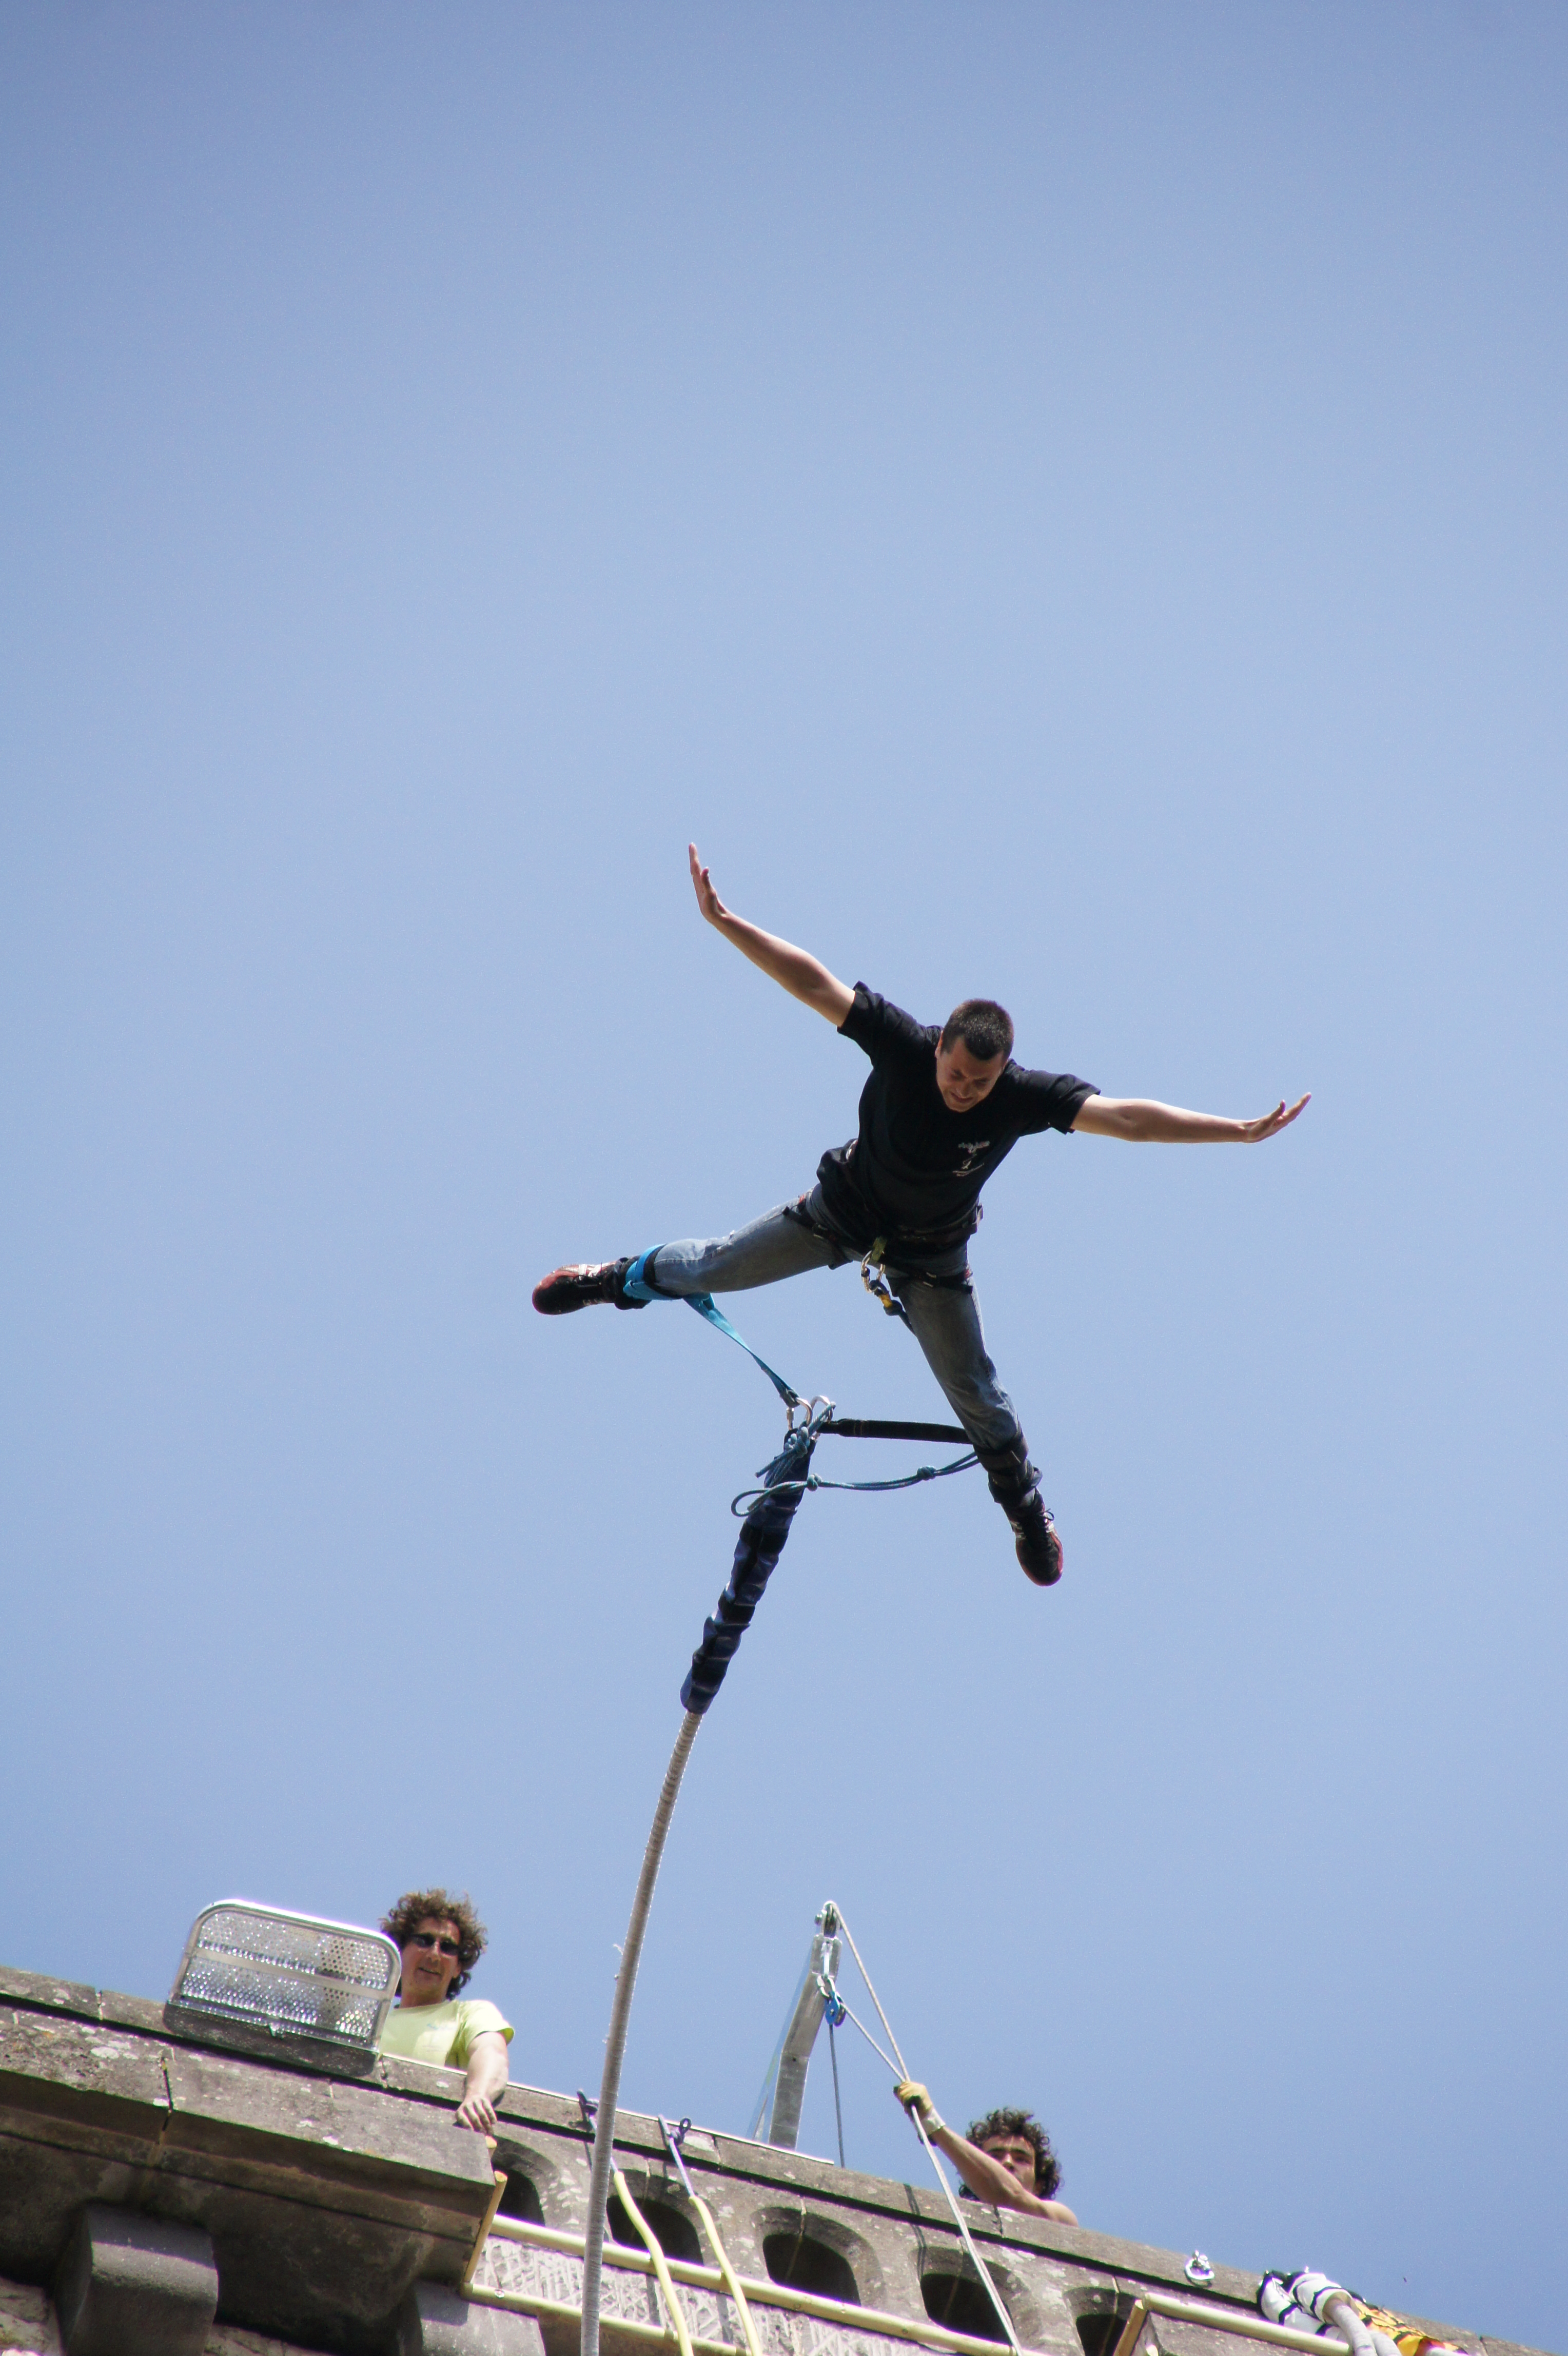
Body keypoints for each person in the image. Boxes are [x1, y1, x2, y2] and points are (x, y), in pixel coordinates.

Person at [534, 843, 1308, 1585]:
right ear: (940, 1045)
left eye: (981, 1081)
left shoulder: (1023, 1098)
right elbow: (811, 982)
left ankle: (1025, 1510)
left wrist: (1234, 1130)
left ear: (1004, 1069)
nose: (965, 1089)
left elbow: (1129, 1119)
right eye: (958, 1074)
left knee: (972, 1388)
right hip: (838, 1213)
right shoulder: (904, 1044)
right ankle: (614, 1280)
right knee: (711, 1268)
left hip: (931, 1258)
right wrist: (728, 924)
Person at [378, 1888, 512, 2132]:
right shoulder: (370, 2017)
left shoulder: (468, 2014)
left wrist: (477, 2094)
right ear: (399, 1951)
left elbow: (492, 2052)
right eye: (424, 1941)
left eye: (448, 1947)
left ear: (458, 1967)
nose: (435, 1954)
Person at [893, 2081, 1077, 2224]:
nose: (1007, 2163)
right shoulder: (959, 2226)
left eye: (1022, 2159)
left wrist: (932, 2122)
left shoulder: (1061, 2219)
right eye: (995, 2157)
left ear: (1039, 2184)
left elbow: (1009, 2195)